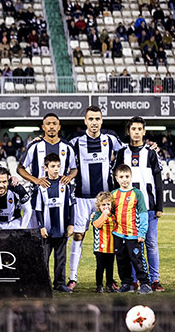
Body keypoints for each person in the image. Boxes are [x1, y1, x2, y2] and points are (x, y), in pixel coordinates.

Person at [68, 106, 122, 289]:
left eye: (97, 119)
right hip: (82, 197)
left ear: (102, 121)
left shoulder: (110, 139)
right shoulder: (75, 142)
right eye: (90, 119)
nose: (94, 122)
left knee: (110, 237)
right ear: (85, 121)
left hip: (105, 199)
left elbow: (127, 150)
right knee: (78, 235)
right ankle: (73, 278)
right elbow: (59, 149)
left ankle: (110, 280)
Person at [114, 116, 164, 290]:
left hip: (148, 207)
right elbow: (116, 180)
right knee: (131, 245)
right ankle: (135, 280)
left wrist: (159, 206)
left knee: (150, 243)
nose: (136, 132)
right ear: (129, 131)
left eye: (139, 129)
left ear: (144, 131)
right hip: (127, 208)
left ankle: (154, 279)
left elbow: (158, 180)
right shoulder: (122, 152)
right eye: (133, 129)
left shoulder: (151, 153)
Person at [17, 113, 77, 226]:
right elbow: (20, 168)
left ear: (59, 127)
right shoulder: (34, 146)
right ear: (43, 127)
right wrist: (35, 180)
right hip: (38, 195)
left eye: (54, 124)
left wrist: (69, 177)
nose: (51, 126)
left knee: (60, 232)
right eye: (48, 124)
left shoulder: (67, 147)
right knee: (37, 234)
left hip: (61, 195)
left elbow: (74, 169)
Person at [110, 162, 151, 293]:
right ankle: (126, 283)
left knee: (137, 259)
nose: (124, 179)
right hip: (118, 234)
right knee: (121, 260)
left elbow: (143, 213)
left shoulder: (137, 193)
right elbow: (109, 212)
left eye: (127, 176)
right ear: (116, 178)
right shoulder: (114, 194)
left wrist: (142, 232)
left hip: (133, 234)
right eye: (121, 177)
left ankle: (145, 283)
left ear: (131, 177)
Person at [36, 154, 75, 292]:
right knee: (44, 258)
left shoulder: (65, 184)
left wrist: (71, 224)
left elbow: (71, 206)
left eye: (58, 166)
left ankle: (59, 283)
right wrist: (40, 226)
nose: (56, 169)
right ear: (45, 168)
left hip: (62, 229)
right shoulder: (41, 186)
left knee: (61, 259)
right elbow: (38, 209)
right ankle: (43, 284)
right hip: (46, 230)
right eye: (53, 166)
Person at [91, 191, 117, 293]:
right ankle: (99, 285)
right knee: (100, 267)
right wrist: (104, 215)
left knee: (110, 267)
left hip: (111, 246)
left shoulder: (113, 215)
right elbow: (97, 225)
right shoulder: (97, 215)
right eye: (103, 205)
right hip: (100, 247)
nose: (106, 207)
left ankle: (109, 285)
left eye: (108, 204)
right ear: (99, 205)